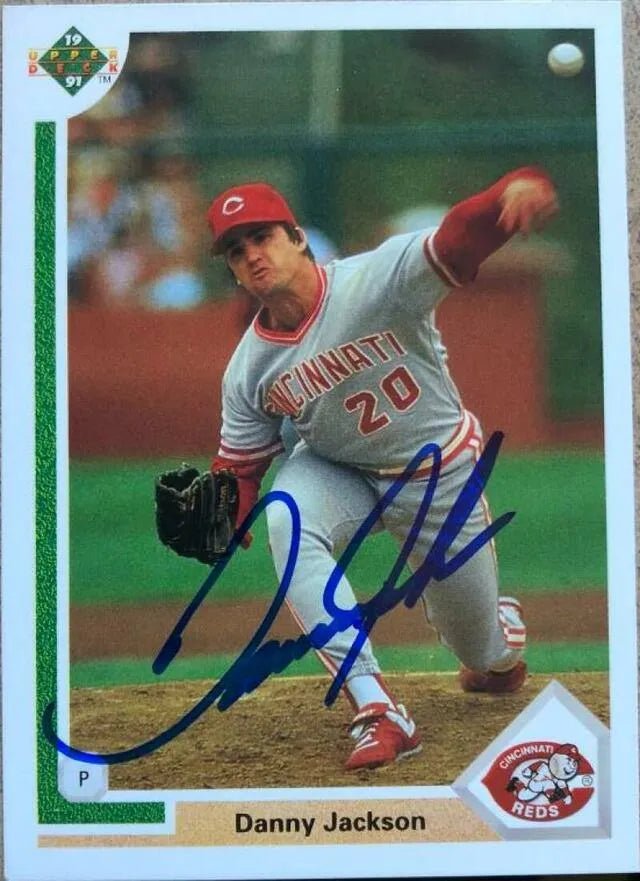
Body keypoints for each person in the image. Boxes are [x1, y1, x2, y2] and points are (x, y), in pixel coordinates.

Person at [205, 170, 558, 771]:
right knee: (287, 520)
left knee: (489, 662)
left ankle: (496, 628)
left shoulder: (374, 281)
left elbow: (454, 241)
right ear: (233, 271)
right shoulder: (248, 370)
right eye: (236, 251)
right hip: (338, 469)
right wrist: (227, 509)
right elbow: (241, 465)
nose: (252, 255)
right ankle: (377, 709)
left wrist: (505, 196)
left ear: (297, 238)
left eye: (262, 237)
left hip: (437, 474)